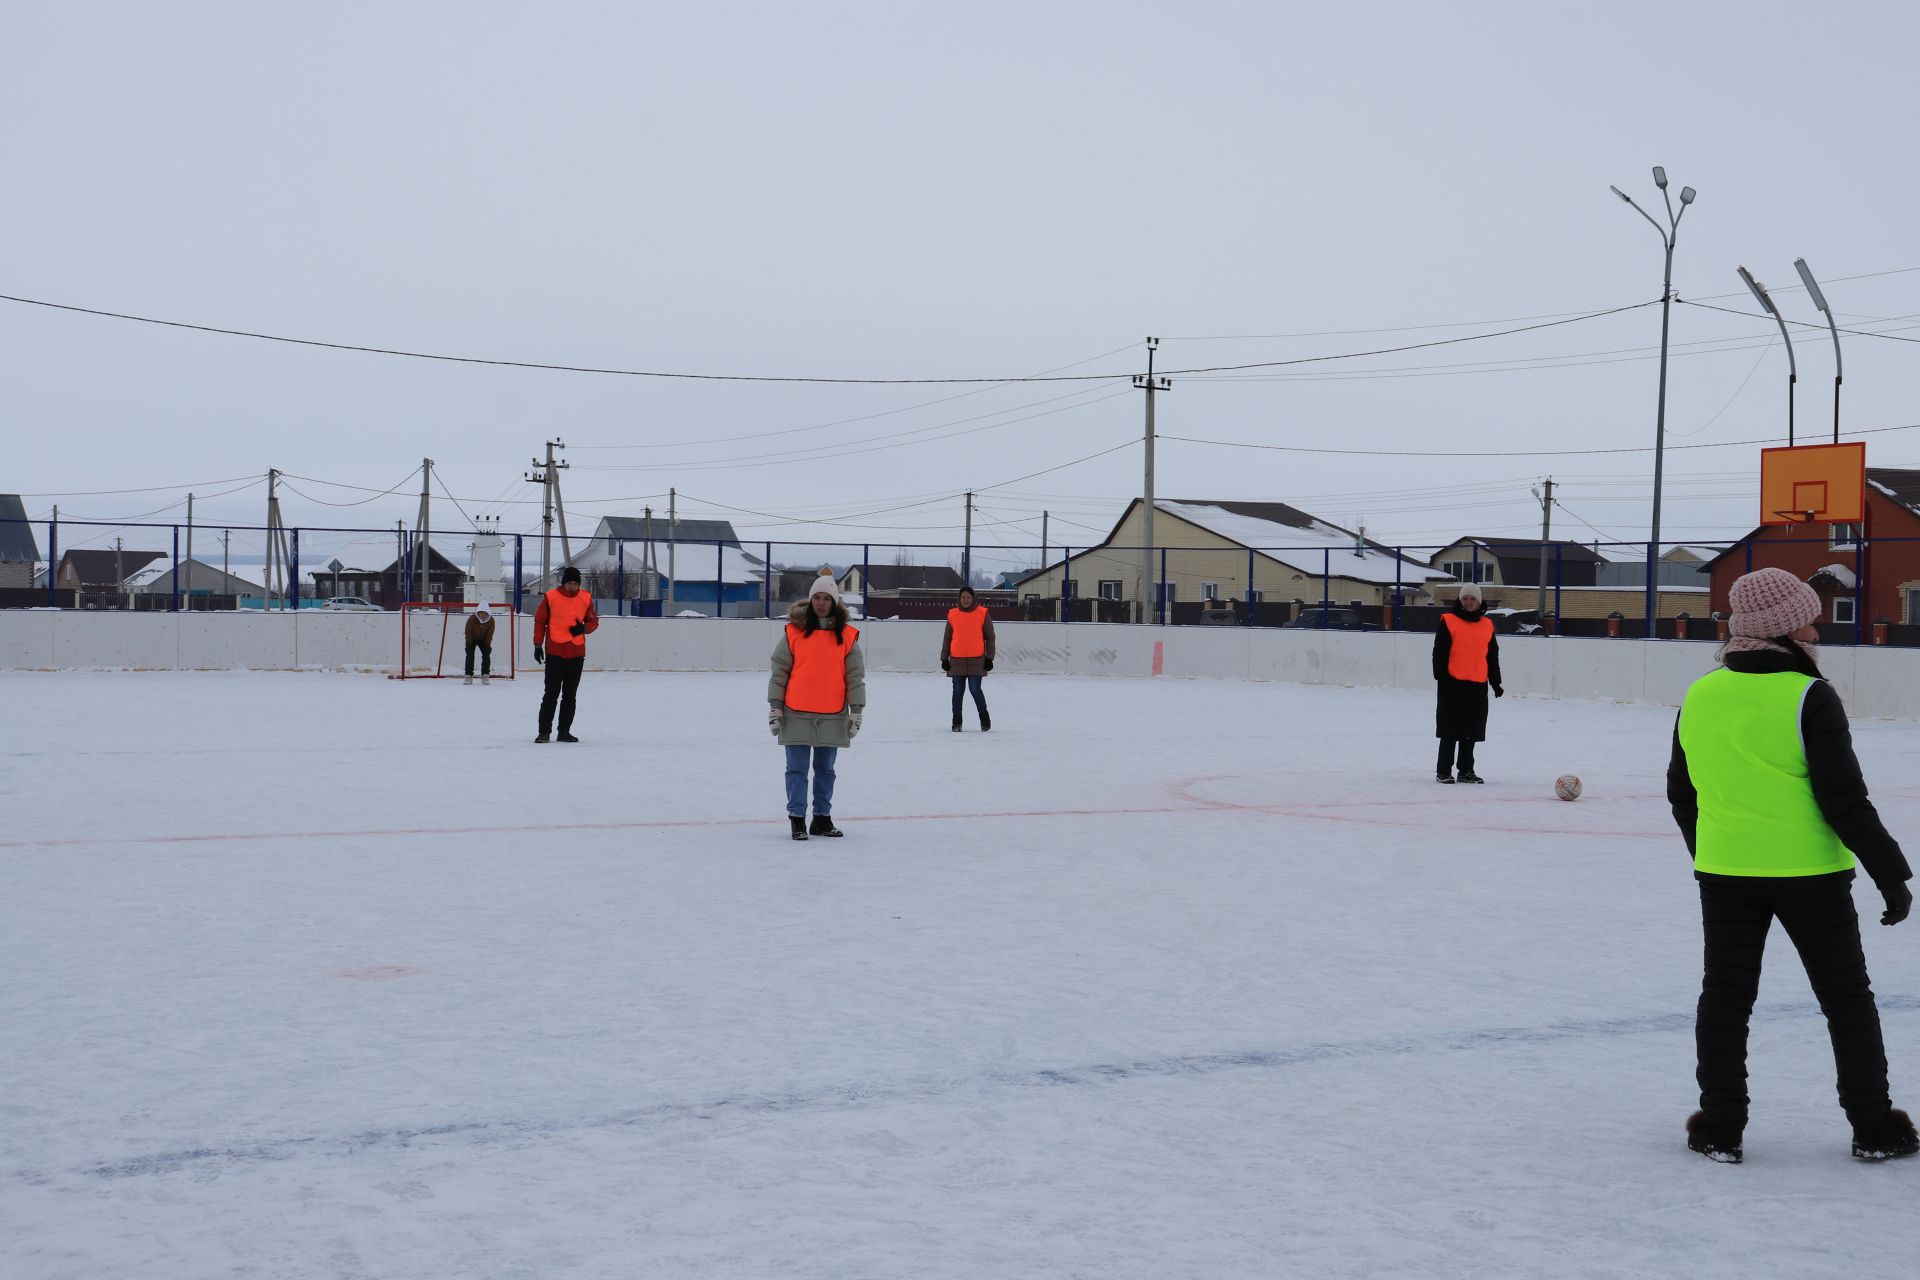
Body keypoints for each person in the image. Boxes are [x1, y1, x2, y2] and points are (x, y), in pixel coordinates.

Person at [1668, 566, 1916, 1164]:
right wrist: (1893, 873)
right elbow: (1844, 801)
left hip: (1726, 874)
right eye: (1809, 615)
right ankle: (1874, 1127)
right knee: (1846, 1001)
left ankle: (1720, 1129)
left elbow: (1683, 794)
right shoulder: (1809, 694)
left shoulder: (1700, 693)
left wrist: (1711, 853)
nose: (1819, 625)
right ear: (1782, 628)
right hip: (1812, 876)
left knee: (1725, 1000)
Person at [769, 572, 865, 841]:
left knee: (826, 771)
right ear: (810, 601)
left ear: (834, 602)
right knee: (796, 770)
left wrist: (856, 710)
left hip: (832, 714)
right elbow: (779, 672)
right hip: (795, 711)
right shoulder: (793, 633)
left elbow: (854, 677)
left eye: (827, 598)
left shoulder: (847, 636)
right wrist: (776, 706)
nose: (821, 603)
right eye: (817, 598)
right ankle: (797, 820)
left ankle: (822, 819)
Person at [1432, 582, 1502, 783]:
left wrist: (1496, 682)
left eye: (1472, 599)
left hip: (1477, 685)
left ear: (1479, 601)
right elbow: (1439, 652)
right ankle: (1444, 771)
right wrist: (1441, 677)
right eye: (1465, 598)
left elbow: (1492, 657)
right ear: (1460, 600)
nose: (1469, 602)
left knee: (1471, 731)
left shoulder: (1487, 625)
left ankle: (1466, 771)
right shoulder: (1449, 621)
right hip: (1451, 684)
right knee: (1449, 730)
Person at [533, 567, 598, 744]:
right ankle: (544, 732)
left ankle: (564, 732)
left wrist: (583, 628)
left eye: (575, 583)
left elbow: (593, 621)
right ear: (564, 582)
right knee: (550, 695)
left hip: (576, 654)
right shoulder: (551, 597)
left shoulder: (585, 598)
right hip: (555, 653)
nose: (572, 586)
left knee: (570, 696)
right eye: (569, 583)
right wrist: (538, 645)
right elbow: (540, 621)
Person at [941, 585, 996, 732]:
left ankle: (984, 720)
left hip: (977, 660)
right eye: (963, 597)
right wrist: (944, 658)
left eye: (968, 597)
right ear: (959, 598)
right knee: (957, 692)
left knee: (975, 690)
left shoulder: (983, 613)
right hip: (956, 661)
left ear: (973, 599)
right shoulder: (952, 614)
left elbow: (990, 637)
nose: (965, 600)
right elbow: (947, 638)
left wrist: (989, 658)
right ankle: (956, 722)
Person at [463, 604, 495, 686]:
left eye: (485, 614)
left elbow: (489, 634)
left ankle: (485, 675)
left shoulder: (491, 621)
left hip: (483, 640)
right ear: (478, 613)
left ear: (488, 613)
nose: (483, 616)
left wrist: (487, 645)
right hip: (472, 639)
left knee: (486, 656)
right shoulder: (472, 619)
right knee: (470, 656)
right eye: (481, 613)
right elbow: (468, 632)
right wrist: (469, 644)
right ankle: (468, 676)